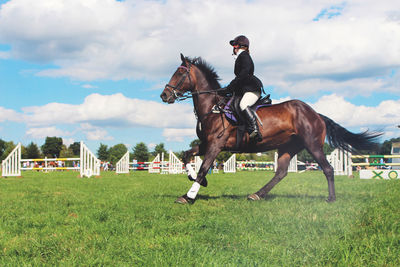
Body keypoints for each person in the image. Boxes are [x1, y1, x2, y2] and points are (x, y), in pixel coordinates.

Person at [226, 35, 264, 142]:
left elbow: (244, 73)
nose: (233, 48)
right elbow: (240, 78)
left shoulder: (244, 55)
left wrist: (231, 86)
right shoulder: (241, 57)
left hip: (252, 89)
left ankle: (255, 129)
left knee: (243, 105)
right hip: (246, 88)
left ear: (238, 46)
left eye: (234, 45)